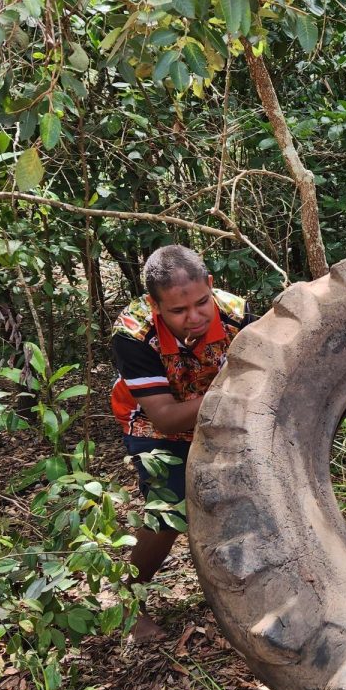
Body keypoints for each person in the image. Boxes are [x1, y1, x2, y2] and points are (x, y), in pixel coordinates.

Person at [110, 245, 253, 641]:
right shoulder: (132, 334)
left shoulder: (238, 317)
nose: (194, 317)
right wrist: (235, 394)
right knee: (169, 507)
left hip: (221, 415)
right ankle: (128, 601)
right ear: (154, 306)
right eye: (177, 311)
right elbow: (165, 416)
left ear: (210, 285)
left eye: (201, 302)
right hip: (154, 427)